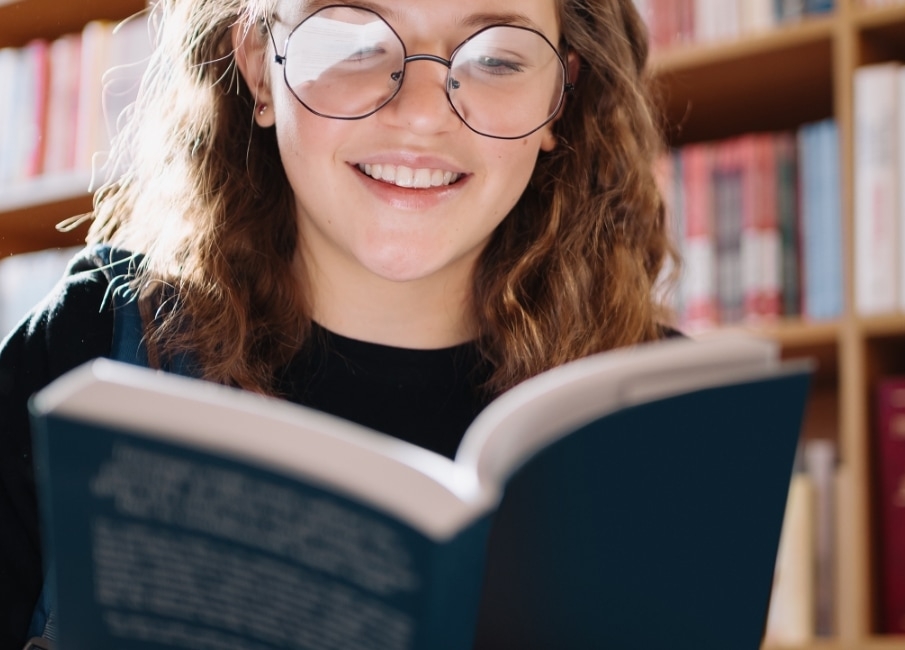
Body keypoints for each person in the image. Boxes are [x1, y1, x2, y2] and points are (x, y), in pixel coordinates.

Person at [0, 0, 678, 646]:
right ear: (261, 64)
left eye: (497, 58)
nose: (420, 114)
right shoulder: (80, 348)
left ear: (559, 96)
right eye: (355, 42)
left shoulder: (671, 419)